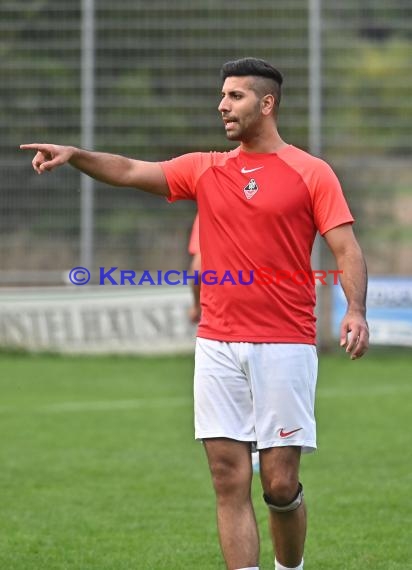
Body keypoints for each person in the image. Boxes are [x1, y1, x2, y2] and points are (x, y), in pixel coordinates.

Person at [21, 57, 369, 570]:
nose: (222, 105)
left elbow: (347, 250)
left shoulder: (311, 172)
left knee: (279, 483)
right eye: (222, 95)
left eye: (235, 96)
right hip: (217, 343)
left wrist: (355, 310)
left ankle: (289, 568)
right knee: (228, 479)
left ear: (267, 104)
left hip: (285, 343)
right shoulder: (206, 169)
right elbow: (131, 170)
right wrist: (76, 155)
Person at [187, 213, 202, 324]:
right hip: (263, 309)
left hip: (220, 311)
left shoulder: (209, 213)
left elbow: (198, 270)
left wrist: (197, 305)